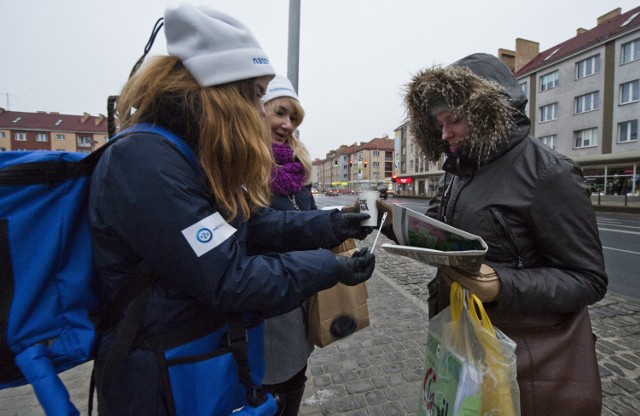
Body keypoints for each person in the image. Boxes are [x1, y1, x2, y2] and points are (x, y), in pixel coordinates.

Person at [88, 4, 375, 415]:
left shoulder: (186, 152)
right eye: (258, 96)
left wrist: (332, 224)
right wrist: (332, 269)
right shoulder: (146, 160)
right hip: (162, 377)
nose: (261, 111)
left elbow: (252, 225)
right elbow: (228, 278)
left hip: (199, 355)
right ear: (223, 91)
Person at [399, 53, 608, 415]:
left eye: (456, 120)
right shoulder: (458, 167)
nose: (445, 133)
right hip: (461, 338)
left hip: (523, 353)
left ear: (489, 111)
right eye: (439, 123)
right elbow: (440, 223)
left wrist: (501, 285)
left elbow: (588, 280)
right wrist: (404, 228)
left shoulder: (550, 173)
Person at [260, 74, 315, 415]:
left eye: (293, 117)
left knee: (295, 381)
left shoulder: (297, 168)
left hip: (298, 299)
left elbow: (307, 220)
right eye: (280, 112)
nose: (286, 124)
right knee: (272, 392)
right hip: (265, 305)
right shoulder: (243, 166)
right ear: (258, 110)